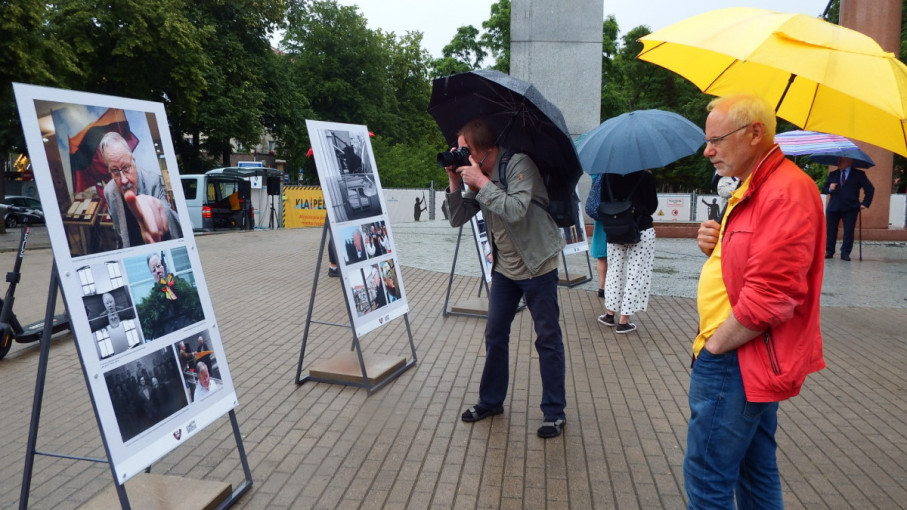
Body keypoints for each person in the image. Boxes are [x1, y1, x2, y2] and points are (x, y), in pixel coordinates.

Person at [684, 94, 826, 508]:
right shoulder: (757, 186)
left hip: (737, 358)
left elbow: (773, 296)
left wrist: (714, 348)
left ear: (755, 133)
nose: (708, 150)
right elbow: (750, 267)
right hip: (743, 358)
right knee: (754, 472)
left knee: (708, 481)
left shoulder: (784, 192)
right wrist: (715, 246)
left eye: (716, 139)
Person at [442, 118, 567, 439]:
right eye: (458, 150)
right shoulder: (478, 174)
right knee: (495, 335)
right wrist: (456, 183)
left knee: (547, 338)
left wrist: (482, 184)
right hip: (505, 270)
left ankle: (554, 412)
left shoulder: (518, 164)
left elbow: (515, 208)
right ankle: (491, 401)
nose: (459, 154)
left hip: (538, 263)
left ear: (488, 150)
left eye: (465, 150)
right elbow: (457, 218)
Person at [597, 171, 658, 334]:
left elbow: (602, 201)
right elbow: (652, 206)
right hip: (641, 228)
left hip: (615, 228)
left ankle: (609, 315)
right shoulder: (645, 176)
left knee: (613, 272)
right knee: (636, 273)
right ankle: (624, 321)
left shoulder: (608, 175)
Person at [99, 131, 182, 248]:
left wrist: (158, 210)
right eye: (115, 171)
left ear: (133, 161)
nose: (124, 180)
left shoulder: (152, 180)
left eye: (126, 167)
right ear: (109, 171)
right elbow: (119, 234)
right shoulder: (109, 191)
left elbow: (169, 216)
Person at [136, 253, 204, 340]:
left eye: (158, 266)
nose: (157, 271)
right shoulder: (153, 301)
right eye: (153, 270)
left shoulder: (182, 285)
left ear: (165, 265)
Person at [822, 156, 874, 261]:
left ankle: (845, 253)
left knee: (849, 231)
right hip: (833, 207)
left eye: (842, 160)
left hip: (851, 207)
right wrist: (830, 188)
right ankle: (829, 251)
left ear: (849, 161)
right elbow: (824, 189)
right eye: (839, 160)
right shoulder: (834, 174)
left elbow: (870, 189)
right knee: (831, 230)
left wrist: (865, 203)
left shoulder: (859, 174)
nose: (839, 162)